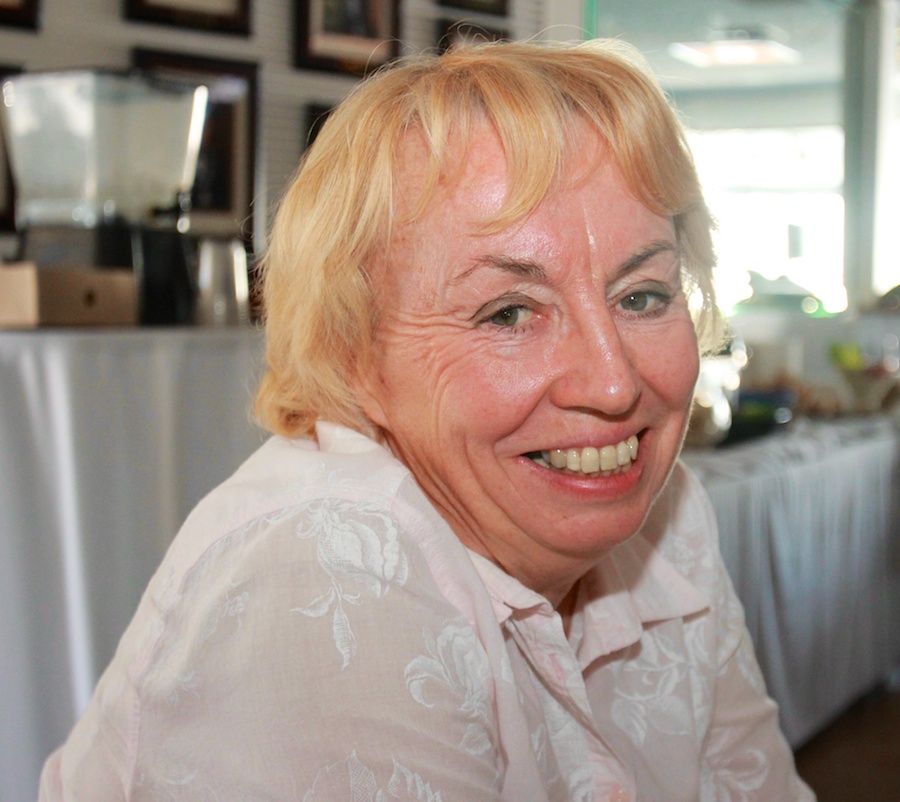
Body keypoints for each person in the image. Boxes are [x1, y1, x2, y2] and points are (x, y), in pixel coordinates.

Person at [39, 40, 814, 801]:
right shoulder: (330, 567)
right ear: (354, 357)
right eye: (509, 312)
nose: (614, 384)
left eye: (641, 296)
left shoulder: (667, 520)